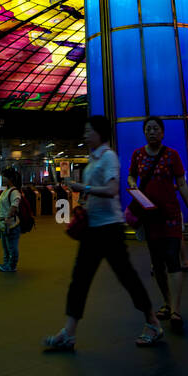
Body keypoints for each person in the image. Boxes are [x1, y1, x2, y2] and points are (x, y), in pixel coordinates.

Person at [42, 115, 164, 351]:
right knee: (80, 280)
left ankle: (153, 323)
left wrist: (83, 188)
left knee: (126, 277)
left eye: (89, 131)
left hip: (110, 229)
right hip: (93, 229)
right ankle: (69, 332)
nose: (85, 135)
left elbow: (110, 190)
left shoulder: (109, 157)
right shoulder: (93, 158)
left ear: (100, 133)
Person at [128, 117, 188, 331]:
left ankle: (176, 309)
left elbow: (182, 184)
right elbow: (131, 176)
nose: (152, 132)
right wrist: (132, 185)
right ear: (144, 132)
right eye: (148, 129)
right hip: (150, 217)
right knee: (157, 263)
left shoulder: (172, 155)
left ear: (163, 133)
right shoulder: (137, 155)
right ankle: (167, 303)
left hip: (170, 215)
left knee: (172, 259)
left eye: (155, 129)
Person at [0, 168, 23, 272]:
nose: (3, 179)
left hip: (11, 224)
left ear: (10, 179)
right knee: (6, 247)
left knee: (11, 246)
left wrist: (8, 218)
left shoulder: (14, 191)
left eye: (4, 177)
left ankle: (12, 266)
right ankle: (6, 263)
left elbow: (14, 206)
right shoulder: (6, 190)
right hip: (3, 223)